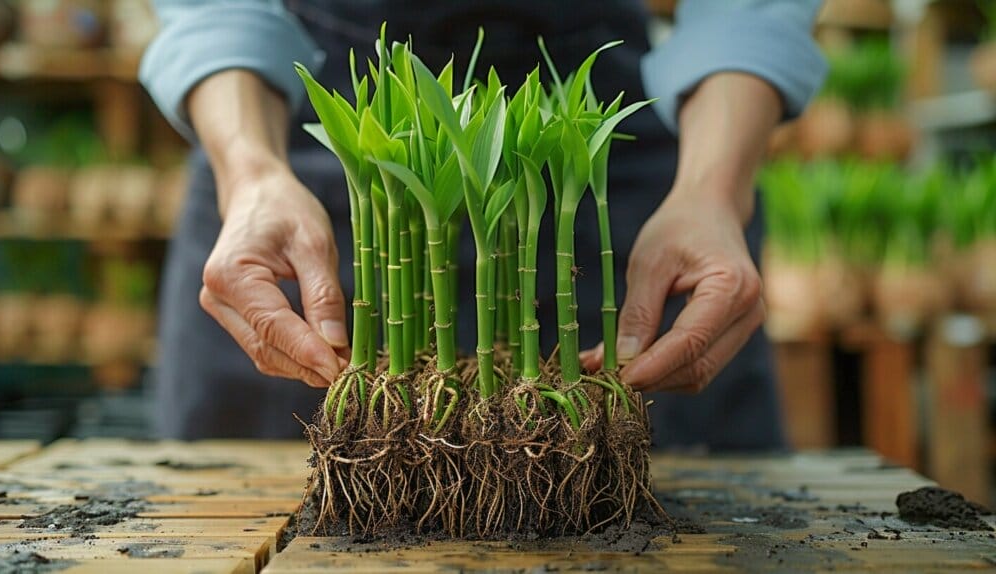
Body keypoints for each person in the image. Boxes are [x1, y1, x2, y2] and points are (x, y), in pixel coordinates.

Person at [140, 0, 826, 447]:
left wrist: (712, 189)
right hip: (306, 113)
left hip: (594, 125)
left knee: (659, 459)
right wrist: (251, 174)